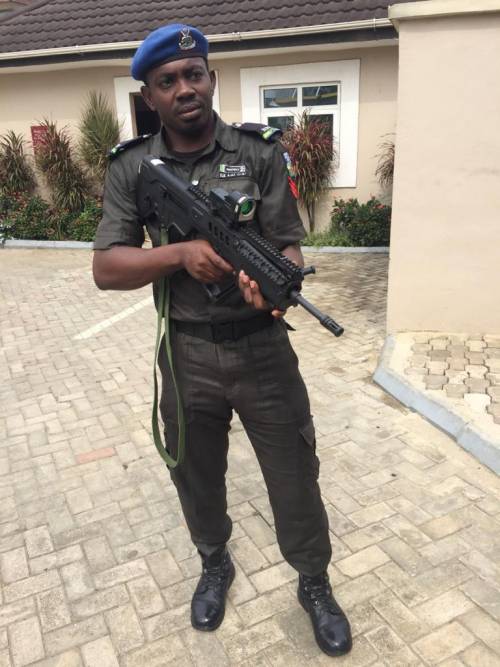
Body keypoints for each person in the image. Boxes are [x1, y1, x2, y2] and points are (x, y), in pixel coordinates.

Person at [93, 23, 351, 658]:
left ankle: (313, 581)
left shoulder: (259, 152)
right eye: (168, 81)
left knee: (294, 473)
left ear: (211, 79)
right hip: (186, 355)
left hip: (263, 350)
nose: (185, 88)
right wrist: (179, 255)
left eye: (194, 74)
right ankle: (214, 561)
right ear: (149, 96)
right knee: (196, 473)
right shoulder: (132, 167)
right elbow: (107, 268)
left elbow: (288, 245)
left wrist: (275, 285)